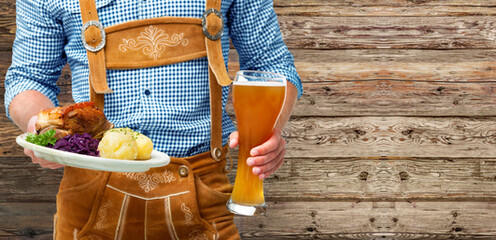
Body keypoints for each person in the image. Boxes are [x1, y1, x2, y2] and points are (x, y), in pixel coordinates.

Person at [5, 0, 301, 238]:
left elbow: (273, 66)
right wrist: (41, 131)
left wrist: (270, 129)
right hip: (88, 199)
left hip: (205, 194)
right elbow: (27, 79)